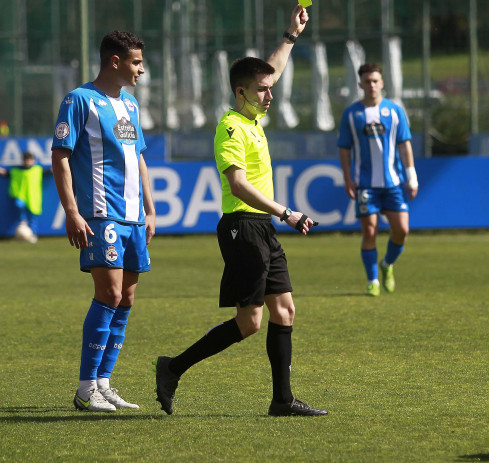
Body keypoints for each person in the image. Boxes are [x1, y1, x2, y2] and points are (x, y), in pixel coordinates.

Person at [153, 3, 326, 418]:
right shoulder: (231, 126)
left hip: (263, 227)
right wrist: (287, 212)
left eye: (271, 88)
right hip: (243, 227)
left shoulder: (252, 117)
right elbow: (238, 185)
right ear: (240, 93)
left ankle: (282, 400)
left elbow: (271, 69)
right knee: (249, 323)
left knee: (284, 310)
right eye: (263, 90)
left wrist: (291, 35)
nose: (271, 94)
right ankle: (172, 368)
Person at [51, 31, 155, 412]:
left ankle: (103, 382)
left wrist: (150, 208)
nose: (142, 69)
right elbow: (60, 155)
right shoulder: (80, 100)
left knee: (126, 296)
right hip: (100, 212)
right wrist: (72, 211)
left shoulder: (130, 106)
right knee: (108, 294)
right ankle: (85, 387)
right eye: (136, 62)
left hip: (132, 218)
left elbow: (139, 157)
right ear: (115, 61)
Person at [337, 62, 418, 297]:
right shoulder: (352, 114)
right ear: (360, 84)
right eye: (367, 81)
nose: (371, 85)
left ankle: (387, 265)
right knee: (369, 231)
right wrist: (348, 177)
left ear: (382, 83)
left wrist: (411, 177)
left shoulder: (395, 111)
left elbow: (404, 145)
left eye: (375, 81)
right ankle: (372, 280)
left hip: (393, 182)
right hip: (365, 184)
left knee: (402, 230)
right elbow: (344, 148)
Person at [0, 151, 45, 243]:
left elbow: (51, 171)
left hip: (33, 198)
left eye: (30, 160)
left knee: (33, 217)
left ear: (33, 160)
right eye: (26, 160)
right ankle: (22, 221)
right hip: (20, 196)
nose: (28, 162)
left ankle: (32, 234)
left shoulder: (37, 169)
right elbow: (6, 173)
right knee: (19, 205)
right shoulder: (16, 171)